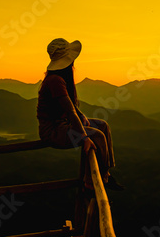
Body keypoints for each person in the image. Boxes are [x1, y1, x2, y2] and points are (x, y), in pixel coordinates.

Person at [37, 38, 123, 191]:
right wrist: (83, 137)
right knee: (96, 136)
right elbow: (69, 111)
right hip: (53, 131)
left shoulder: (58, 79)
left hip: (63, 125)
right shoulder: (55, 81)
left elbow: (71, 107)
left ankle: (106, 174)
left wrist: (81, 116)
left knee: (103, 125)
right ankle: (92, 183)